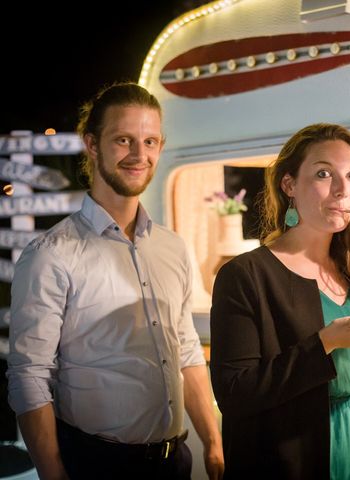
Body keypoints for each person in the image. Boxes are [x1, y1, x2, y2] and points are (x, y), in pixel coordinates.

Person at [7, 82, 224, 479]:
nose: (139, 155)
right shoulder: (51, 254)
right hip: (96, 464)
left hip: (175, 461)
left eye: (150, 141)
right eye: (124, 140)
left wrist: (213, 443)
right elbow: (29, 376)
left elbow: (187, 350)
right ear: (92, 144)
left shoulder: (172, 247)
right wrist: (54, 474)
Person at [210, 123, 350, 479]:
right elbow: (236, 393)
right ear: (289, 185)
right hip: (287, 457)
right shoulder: (246, 275)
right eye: (324, 173)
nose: (344, 190)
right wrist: (326, 342)